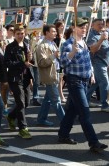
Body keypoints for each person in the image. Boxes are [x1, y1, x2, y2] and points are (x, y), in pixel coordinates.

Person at [58, 17, 108, 153]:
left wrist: (91, 73)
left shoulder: (84, 42)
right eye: (81, 27)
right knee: (85, 113)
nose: (84, 29)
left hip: (85, 80)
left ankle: (63, 134)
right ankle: (94, 142)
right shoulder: (68, 44)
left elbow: (88, 59)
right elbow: (62, 63)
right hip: (75, 81)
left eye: (85, 27)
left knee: (72, 110)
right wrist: (73, 52)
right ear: (74, 28)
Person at [3, 24, 33, 139]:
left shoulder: (27, 45)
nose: (20, 36)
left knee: (26, 103)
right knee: (20, 103)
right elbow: (7, 63)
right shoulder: (10, 47)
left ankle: (11, 116)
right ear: (14, 35)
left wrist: (30, 58)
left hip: (25, 77)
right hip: (15, 78)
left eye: (22, 33)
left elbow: (30, 63)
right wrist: (22, 63)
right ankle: (23, 128)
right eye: (18, 34)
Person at [36, 25, 65, 126]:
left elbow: (57, 59)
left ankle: (41, 119)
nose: (55, 33)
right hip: (49, 76)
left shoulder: (53, 43)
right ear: (46, 33)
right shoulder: (41, 46)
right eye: (53, 31)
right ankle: (65, 122)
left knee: (47, 100)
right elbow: (42, 63)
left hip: (56, 73)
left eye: (55, 31)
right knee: (56, 100)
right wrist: (54, 56)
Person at [86, 19, 109, 112]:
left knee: (95, 84)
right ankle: (104, 105)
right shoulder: (91, 35)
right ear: (93, 25)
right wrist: (101, 40)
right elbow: (93, 50)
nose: (101, 26)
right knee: (105, 83)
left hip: (105, 62)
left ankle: (85, 100)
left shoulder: (102, 34)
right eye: (98, 24)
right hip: (97, 63)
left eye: (102, 24)